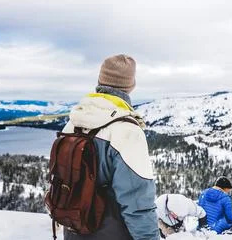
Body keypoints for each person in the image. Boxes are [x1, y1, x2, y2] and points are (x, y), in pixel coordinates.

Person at [61, 54, 159, 239]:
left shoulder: (73, 123)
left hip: (74, 228)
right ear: (131, 86)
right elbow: (138, 204)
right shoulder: (126, 130)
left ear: (100, 80)